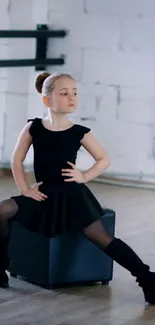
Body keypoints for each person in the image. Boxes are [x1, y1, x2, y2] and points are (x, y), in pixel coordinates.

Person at [0, 72, 155, 305]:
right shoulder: (33, 127)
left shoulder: (80, 132)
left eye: (75, 93)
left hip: (73, 196)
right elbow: (16, 160)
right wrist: (25, 189)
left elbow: (103, 159)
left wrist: (84, 175)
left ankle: (147, 278)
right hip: (42, 194)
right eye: (64, 94)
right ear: (47, 100)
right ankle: (1, 266)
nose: (72, 98)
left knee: (101, 237)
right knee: (2, 210)